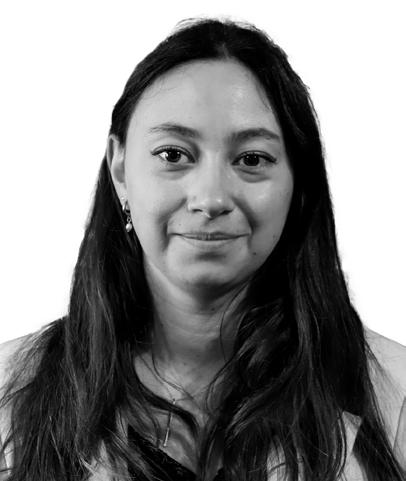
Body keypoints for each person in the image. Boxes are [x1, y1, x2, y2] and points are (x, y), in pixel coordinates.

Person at [0, 15, 405, 481]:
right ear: (119, 169)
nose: (211, 198)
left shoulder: (396, 400)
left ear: (299, 182)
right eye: (173, 155)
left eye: (252, 159)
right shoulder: (11, 397)